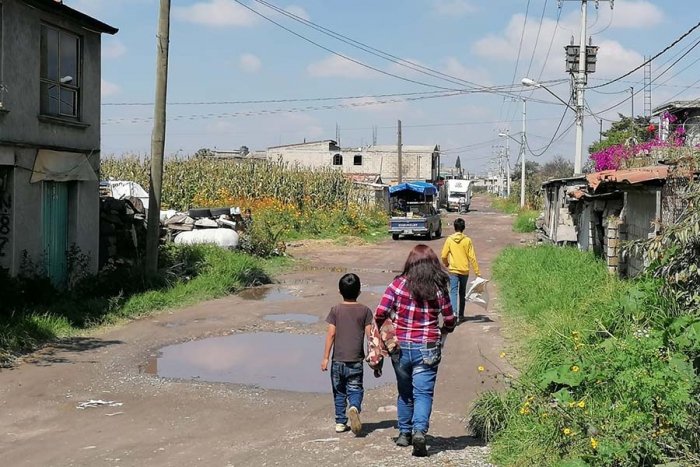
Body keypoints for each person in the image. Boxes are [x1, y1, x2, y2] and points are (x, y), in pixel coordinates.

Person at [375, 245, 455, 457]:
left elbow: (380, 313)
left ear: (410, 263)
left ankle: (404, 434)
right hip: (428, 345)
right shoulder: (439, 288)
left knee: (405, 391)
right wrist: (445, 329)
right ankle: (419, 431)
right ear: (432, 264)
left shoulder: (398, 285)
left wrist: (388, 330)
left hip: (400, 346)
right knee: (423, 393)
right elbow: (450, 319)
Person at [321, 273, 373, 436]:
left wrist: (326, 357)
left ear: (339, 291)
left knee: (339, 391)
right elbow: (370, 335)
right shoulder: (365, 311)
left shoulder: (335, 310)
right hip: (356, 360)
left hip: (338, 360)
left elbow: (331, 334)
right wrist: (373, 356)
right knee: (355, 389)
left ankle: (340, 422)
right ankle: (354, 407)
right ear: (359, 292)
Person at [440, 218, 481, 323]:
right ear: (463, 228)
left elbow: (444, 255)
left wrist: (446, 264)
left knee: (453, 292)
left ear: (454, 227)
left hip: (453, 270)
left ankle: (454, 313)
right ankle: (461, 315)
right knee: (462, 293)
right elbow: (472, 257)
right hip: (464, 271)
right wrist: (477, 273)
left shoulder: (449, 240)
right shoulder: (467, 240)